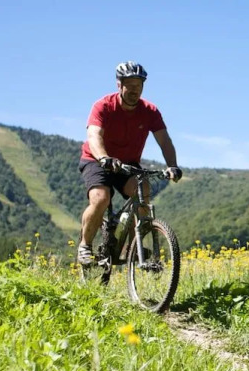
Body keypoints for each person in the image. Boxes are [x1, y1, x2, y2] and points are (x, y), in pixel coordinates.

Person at [77, 61, 183, 265]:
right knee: (100, 199)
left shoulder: (150, 111)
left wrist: (172, 165)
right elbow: (94, 135)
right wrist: (104, 158)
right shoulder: (103, 106)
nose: (135, 90)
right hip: (97, 160)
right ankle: (85, 245)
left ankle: (134, 247)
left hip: (128, 164)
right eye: (130, 85)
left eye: (138, 85)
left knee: (143, 191)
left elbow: (164, 141)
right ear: (119, 85)